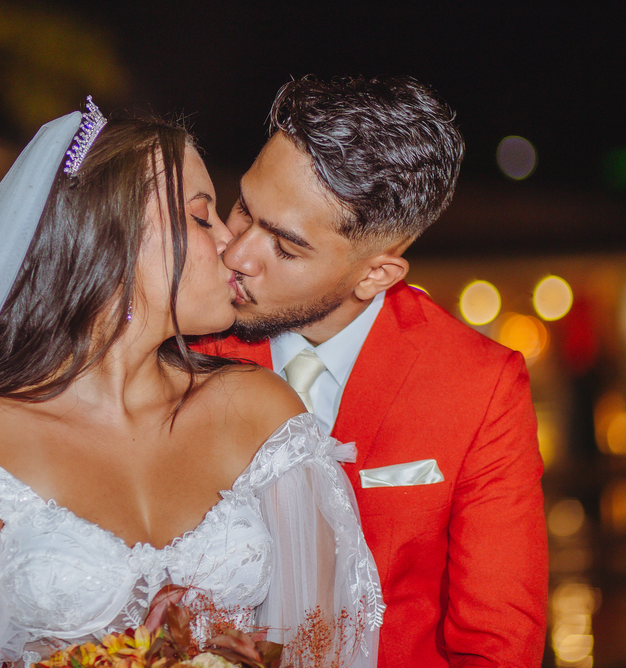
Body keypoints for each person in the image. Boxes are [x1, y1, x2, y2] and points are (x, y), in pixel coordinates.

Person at [0, 102, 382, 668]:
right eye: (201, 215)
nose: (230, 244)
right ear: (113, 240)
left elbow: (323, 649)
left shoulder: (260, 417)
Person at [199, 77, 548, 667]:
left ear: (375, 275)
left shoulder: (480, 386)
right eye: (244, 209)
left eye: (285, 247)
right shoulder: (186, 339)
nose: (236, 254)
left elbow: (496, 646)